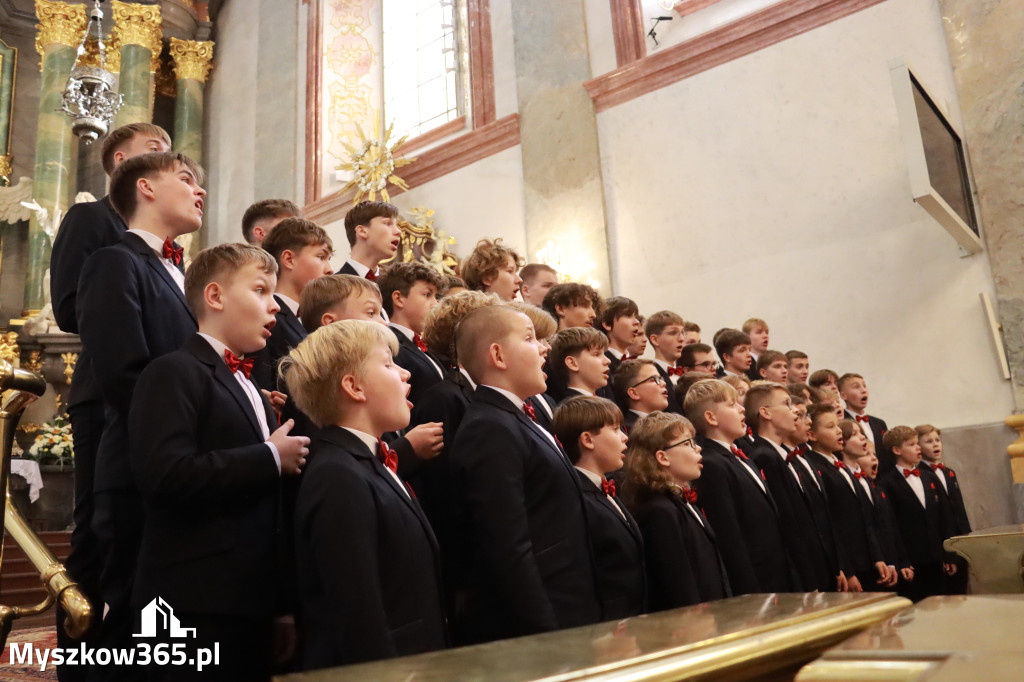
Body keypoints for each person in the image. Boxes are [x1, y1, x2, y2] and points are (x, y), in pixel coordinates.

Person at [129, 244, 310, 681]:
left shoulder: (251, 386)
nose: (274, 306)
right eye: (262, 290)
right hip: (192, 602)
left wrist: (281, 605)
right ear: (215, 297)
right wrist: (269, 456)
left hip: (250, 598)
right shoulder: (172, 372)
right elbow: (166, 474)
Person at [48, 122, 171, 675]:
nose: (167, 161)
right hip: (105, 390)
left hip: (149, 393)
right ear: (122, 162)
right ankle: (79, 653)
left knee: (133, 530)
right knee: (98, 530)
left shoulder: (167, 246)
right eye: (154, 153)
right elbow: (73, 306)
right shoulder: (92, 219)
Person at [76, 151, 205, 675]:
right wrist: (182, 437)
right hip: (140, 466)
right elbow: (124, 372)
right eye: (185, 178)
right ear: (146, 188)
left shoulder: (177, 272)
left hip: (176, 463)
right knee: (133, 616)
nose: (198, 190)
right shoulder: (115, 261)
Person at [283, 320, 446, 668]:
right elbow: (359, 614)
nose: (405, 374)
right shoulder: (337, 476)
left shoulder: (365, 462)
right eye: (388, 364)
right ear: (354, 387)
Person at [448, 305, 600, 643]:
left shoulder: (513, 418)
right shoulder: (489, 427)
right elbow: (507, 544)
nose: (545, 348)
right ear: (498, 355)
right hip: (541, 622)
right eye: (530, 338)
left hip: (569, 604)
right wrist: (544, 632)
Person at [683, 379, 793, 594]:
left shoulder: (742, 458)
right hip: (758, 583)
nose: (742, 408)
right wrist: (750, 593)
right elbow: (730, 535)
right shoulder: (712, 463)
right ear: (711, 417)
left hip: (777, 574)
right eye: (732, 404)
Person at [623, 411, 730, 610]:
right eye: (688, 443)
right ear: (662, 457)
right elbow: (678, 582)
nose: (698, 448)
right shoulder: (659, 511)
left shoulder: (678, 501)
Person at [552, 396, 645, 619]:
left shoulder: (604, 490)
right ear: (587, 440)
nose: (625, 437)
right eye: (614, 429)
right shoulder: (578, 500)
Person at [746, 383, 837, 592]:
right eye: (787, 404)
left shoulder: (778, 454)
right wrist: (809, 580)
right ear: (765, 412)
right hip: (802, 574)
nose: (795, 410)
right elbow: (789, 522)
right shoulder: (764, 456)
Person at [802, 404, 889, 593]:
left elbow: (865, 517)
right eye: (830, 426)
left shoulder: (838, 465)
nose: (839, 431)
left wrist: (877, 557)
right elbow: (831, 523)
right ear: (812, 435)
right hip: (850, 564)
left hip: (866, 561)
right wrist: (847, 570)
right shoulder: (817, 468)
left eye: (838, 426)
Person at [251, 218, 333, 393]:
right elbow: (265, 387)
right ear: (289, 259)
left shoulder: (310, 320)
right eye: (321, 257)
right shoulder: (269, 319)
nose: (330, 269)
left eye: (329, 259)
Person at [878, 426, 951, 601]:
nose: (918, 448)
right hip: (912, 560)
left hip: (937, 557)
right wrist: (902, 561)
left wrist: (949, 554)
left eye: (918, 444)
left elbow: (944, 515)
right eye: (911, 445)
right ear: (897, 450)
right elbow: (892, 526)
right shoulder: (887, 483)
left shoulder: (929, 477)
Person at [840, 420, 904, 589]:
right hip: (861, 565)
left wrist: (890, 562)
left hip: (880, 561)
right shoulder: (843, 477)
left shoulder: (868, 483)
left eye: (861, 432)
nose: (862, 437)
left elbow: (883, 525)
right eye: (855, 434)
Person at [378, 262, 447, 408]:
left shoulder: (422, 344)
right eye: (427, 295)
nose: (435, 304)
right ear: (399, 299)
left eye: (436, 296)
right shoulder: (391, 346)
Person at [916, 423, 971, 593]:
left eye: (937, 440)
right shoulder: (921, 475)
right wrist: (945, 554)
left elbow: (959, 509)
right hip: (942, 544)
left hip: (959, 538)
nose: (935, 444)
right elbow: (937, 517)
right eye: (929, 441)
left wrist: (968, 538)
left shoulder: (949, 472)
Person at [839, 373, 893, 474]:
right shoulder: (842, 422)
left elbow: (886, 456)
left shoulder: (879, 423)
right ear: (843, 395)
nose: (863, 390)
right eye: (856, 387)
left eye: (864, 386)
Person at [546, 327, 611, 403]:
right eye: (596, 354)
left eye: (604, 354)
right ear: (572, 363)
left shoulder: (595, 403)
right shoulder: (572, 409)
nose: (608, 361)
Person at [610, 359, 669, 434]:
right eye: (654, 379)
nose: (663, 383)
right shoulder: (627, 431)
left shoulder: (668, 423)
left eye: (661, 379)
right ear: (634, 393)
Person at [645, 310, 686, 414]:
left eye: (682, 333)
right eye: (673, 333)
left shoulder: (686, 373)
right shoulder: (650, 376)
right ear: (655, 340)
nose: (681, 338)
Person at [596, 296, 640, 376]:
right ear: (607, 324)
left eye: (635, 317)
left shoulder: (634, 363)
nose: (637, 322)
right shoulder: (601, 364)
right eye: (628, 315)